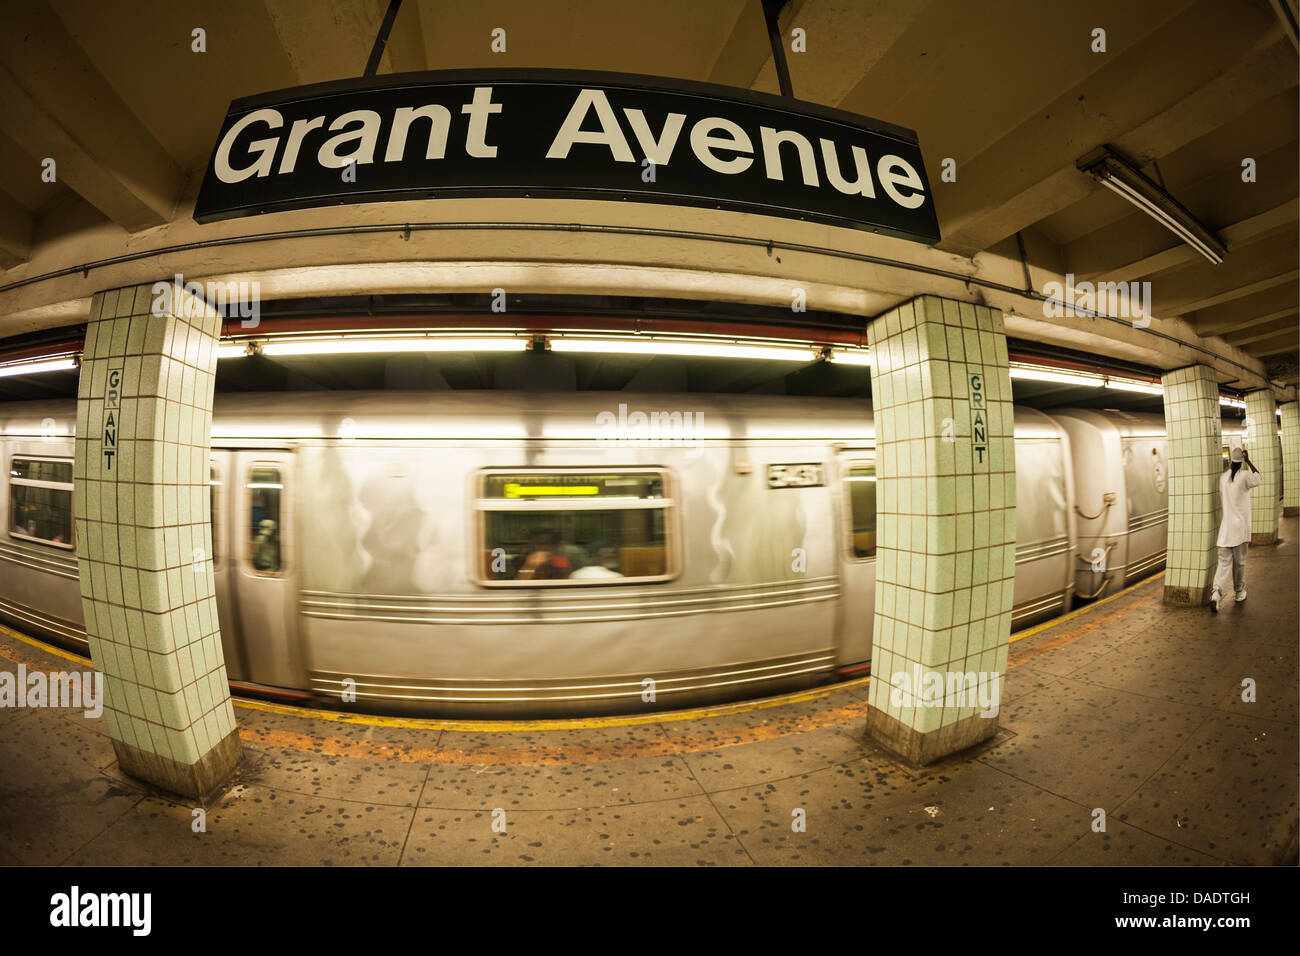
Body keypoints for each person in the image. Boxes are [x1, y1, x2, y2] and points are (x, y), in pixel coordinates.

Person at [1211, 445, 1261, 613]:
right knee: (1239, 564)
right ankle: (1239, 592)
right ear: (1242, 461)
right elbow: (1259, 477)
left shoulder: (1223, 478)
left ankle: (1216, 593)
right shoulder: (1245, 476)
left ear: (1231, 460)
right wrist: (1249, 461)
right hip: (1239, 530)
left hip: (1225, 530)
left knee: (1223, 564)